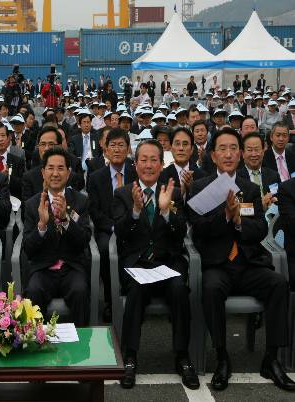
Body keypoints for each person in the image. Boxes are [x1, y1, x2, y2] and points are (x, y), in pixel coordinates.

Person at [187, 127, 295, 392]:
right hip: (218, 264)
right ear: (213, 156)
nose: (228, 154)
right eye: (222, 149)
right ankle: (222, 356)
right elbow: (197, 228)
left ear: (240, 154)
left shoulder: (248, 187)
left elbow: (259, 228)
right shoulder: (201, 186)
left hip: (247, 263)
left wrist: (237, 222)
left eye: (233, 148)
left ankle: (271, 359)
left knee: (279, 284)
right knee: (211, 289)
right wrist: (225, 216)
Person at [114, 139, 199, 390]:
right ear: (135, 163)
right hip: (137, 264)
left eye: (154, 160)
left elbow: (181, 231)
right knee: (137, 290)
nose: (148, 165)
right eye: (144, 159)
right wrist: (136, 212)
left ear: (162, 165)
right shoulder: (123, 193)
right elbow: (120, 233)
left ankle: (182, 356)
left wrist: (165, 212)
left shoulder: (171, 191)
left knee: (179, 289)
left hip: (168, 262)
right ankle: (130, 356)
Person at [23, 147, 91, 326]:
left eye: (60, 168)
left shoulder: (80, 201)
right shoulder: (32, 205)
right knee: (33, 291)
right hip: (43, 268)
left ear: (68, 173)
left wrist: (66, 220)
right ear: (43, 172)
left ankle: (81, 348)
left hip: (71, 267)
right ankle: (35, 346)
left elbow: (84, 241)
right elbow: (28, 249)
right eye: (50, 168)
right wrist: (42, 226)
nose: (55, 173)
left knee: (80, 290)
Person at [87, 129, 137, 323]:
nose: (117, 150)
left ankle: (132, 294)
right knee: (106, 250)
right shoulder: (96, 177)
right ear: (106, 150)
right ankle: (110, 299)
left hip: (134, 225)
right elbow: (95, 211)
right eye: (113, 145)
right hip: (108, 229)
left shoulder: (135, 172)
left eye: (121, 145)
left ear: (128, 149)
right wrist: (115, 227)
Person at [160, 127, 207, 198]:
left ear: (191, 149)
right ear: (171, 148)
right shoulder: (161, 176)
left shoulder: (203, 176)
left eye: (185, 144)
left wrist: (192, 188)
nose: (181, 148)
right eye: (177, 144)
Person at [238, 132, 280, 211]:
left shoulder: (274, 175)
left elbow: (281, 202)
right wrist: (260, 205)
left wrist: (274, 203)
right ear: (243, 153)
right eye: (249, 150)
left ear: (263, 151)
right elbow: (238, 210)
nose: (254, 154)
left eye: (257, 149)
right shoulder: (236, 178)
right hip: (249, 222)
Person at [0, 122, 26, 200]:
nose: (1, 139)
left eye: (3, 136)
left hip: (13, 202)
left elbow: (24, 185)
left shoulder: (18, 161)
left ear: (8, 138)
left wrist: (8, 177)